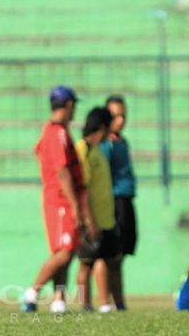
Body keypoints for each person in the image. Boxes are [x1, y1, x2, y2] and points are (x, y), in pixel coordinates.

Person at [21, 86, 99, 314]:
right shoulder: (56, 133)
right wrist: (75, 205)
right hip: (60, 199)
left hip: (62, 198)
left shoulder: (58, 132)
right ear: (69, 105)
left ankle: (59, 299)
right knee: (64, 251)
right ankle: (32, 292)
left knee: (67, 251)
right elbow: (62, 170)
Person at [74, 107, 118, 313]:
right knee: (88, 262)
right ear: (102, 126)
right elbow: (83, 188)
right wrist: (90, 220)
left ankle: (99, 302)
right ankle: (91, 304)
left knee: (101, 260)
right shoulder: (83, 150)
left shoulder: (98, 149)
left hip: (104, 217)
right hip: (92, 219)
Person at [98, 95, 136, 310]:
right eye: (115, 116)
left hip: (125, 200)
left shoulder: (122, 142)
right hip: (111, 201)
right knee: (105, 253)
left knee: (119, 255)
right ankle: (104, 301)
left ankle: (120, 302)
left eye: (123, 115)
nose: (120, 120)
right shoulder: (106, 145)